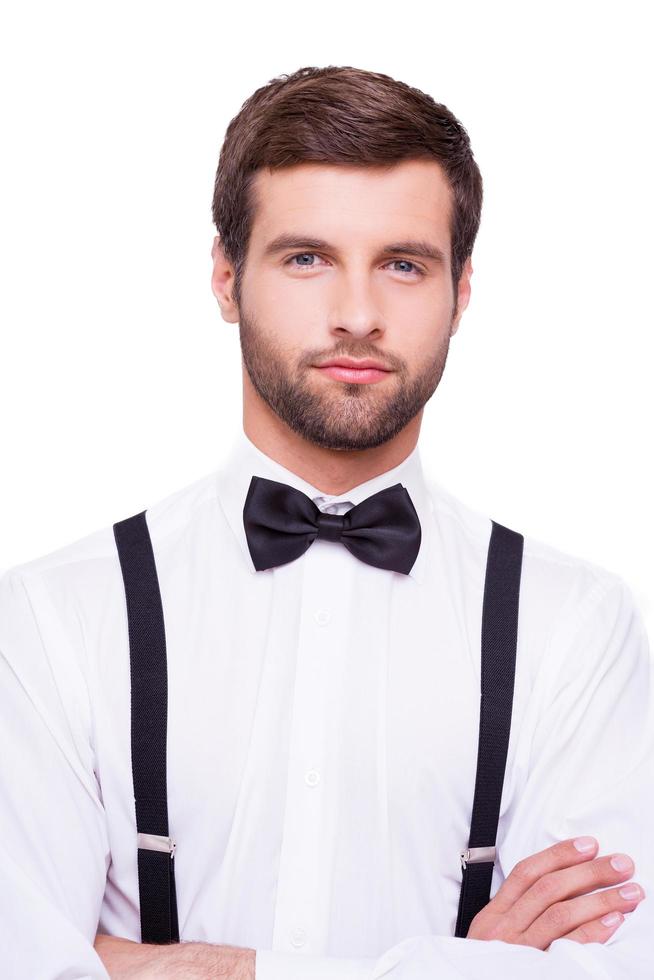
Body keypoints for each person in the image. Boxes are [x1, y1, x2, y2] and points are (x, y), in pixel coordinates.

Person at [1, 64, 652, 980]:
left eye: (404, 264)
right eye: (306, 258)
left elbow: (611, 972)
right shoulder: (52, 619)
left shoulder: (576, 627)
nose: (357, 315)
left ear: (462, 292)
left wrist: (188, 966)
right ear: (226, 278)